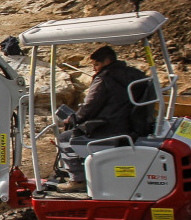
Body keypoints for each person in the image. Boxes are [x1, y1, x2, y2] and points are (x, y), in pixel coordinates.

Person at [54, 46, 146, 191]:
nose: (94, 69)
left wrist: (74, 119)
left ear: (107, 61)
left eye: (96, 65)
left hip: (111, 128)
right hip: (132, 125)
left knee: (65, 138)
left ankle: (77, 180)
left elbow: (90, 107)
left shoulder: (104, 79)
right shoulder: (136, 74)